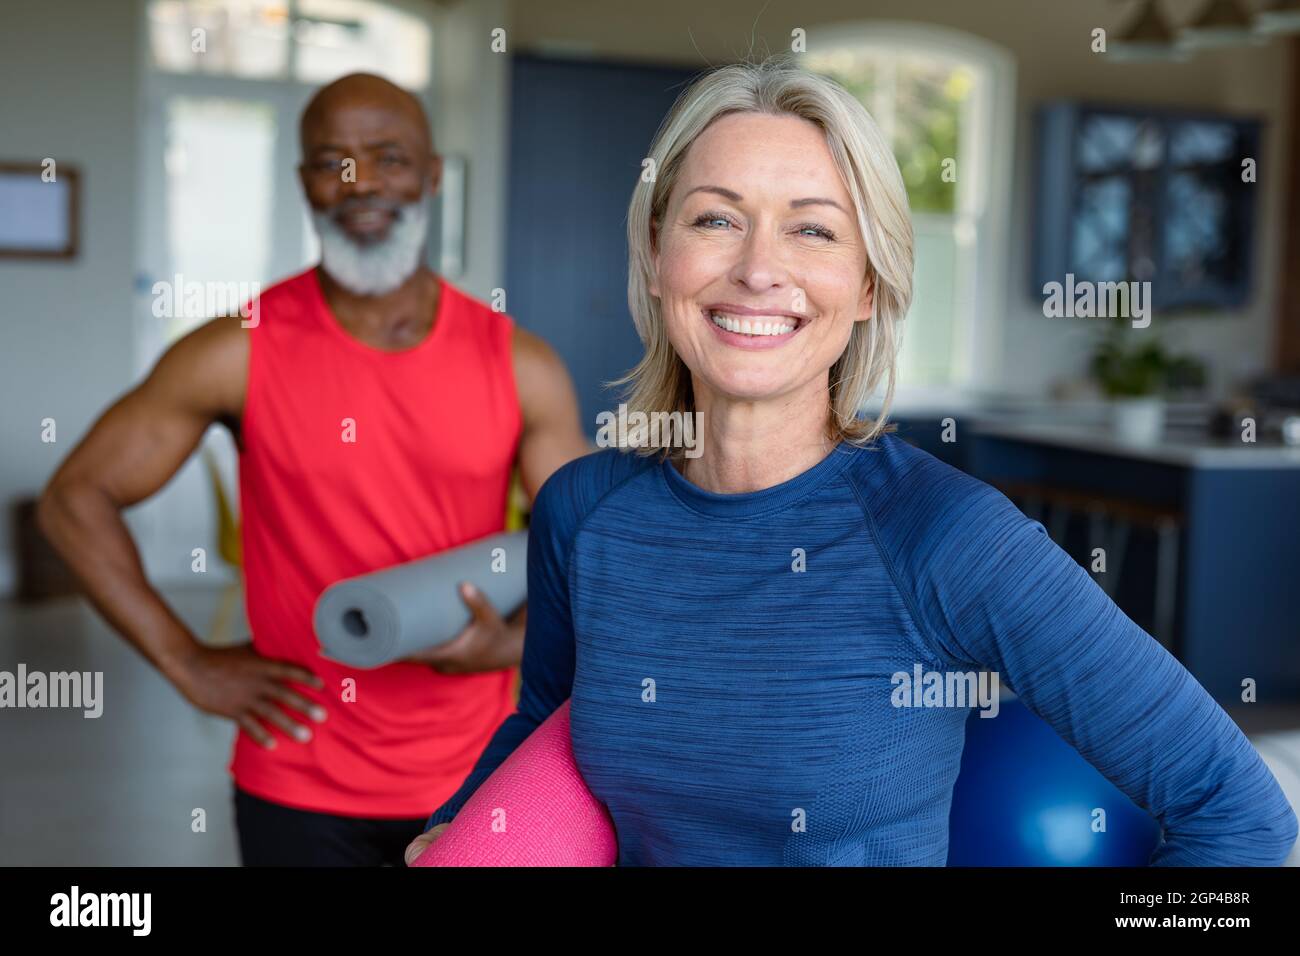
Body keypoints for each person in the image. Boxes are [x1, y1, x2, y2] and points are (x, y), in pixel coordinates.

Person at [406, 58, 1298, 866]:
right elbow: (546, 725)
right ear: (655, 253)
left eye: (813, 231)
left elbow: (1239, 811)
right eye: (716, 218)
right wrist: (458, 827)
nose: (759, 270)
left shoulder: (944, 535)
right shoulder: (583, 510)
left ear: (869, 284)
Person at [39, 73, 590, 866]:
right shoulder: (235, 350)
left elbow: (588, 542)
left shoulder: (518, 363)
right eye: (331, 161)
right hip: (297, 775)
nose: (359, 184)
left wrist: (514, 644)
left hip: (478, 773)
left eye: (388, 157)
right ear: (303, 182)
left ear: (434, 174)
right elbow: (74, 498)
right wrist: (187, 660)